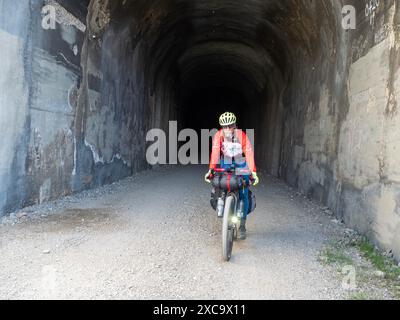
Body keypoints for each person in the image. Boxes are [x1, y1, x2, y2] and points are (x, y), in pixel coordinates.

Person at [205, 112, 259, 240]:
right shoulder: (219, 135)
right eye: (225, 127)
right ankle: (224, 205)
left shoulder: (242, 136)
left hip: (241, 162)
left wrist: (253, 171)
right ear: (221, 127)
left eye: (230, 126)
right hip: (226, 161)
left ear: (235, 125)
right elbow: (215, 153)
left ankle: (242, 226)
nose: (228, 129)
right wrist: (211, 169)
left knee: (244, 191)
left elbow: (249, 153)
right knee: (223, 183)